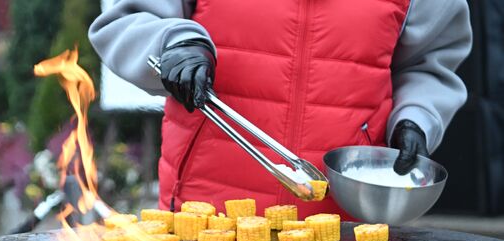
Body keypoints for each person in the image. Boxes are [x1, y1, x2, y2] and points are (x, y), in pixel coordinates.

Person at [88, 0, 472, 219]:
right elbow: (126, 20)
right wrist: (173, 45)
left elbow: (428, 63)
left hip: (345, 224)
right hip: (205, 216)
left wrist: (417, 117)